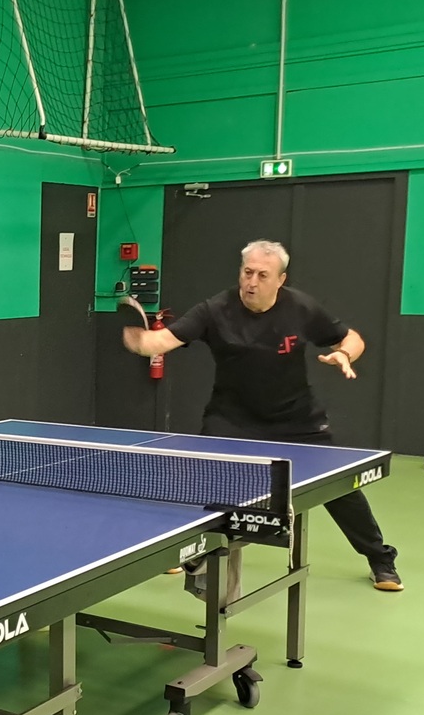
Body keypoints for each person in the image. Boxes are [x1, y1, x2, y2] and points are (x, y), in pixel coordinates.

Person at [122, 239, 402, 591]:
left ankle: (380, 558)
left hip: (297, 420)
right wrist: (140, 342)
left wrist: (344, 354)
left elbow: (352, 338)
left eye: (262, 275)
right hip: (232, 419)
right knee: (201, 480)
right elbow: (163, 341)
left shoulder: (300, 308)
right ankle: (187, 550)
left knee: (341, 489)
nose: (251, 282)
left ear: (280, 279)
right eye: (247, 272)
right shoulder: (215, 310)